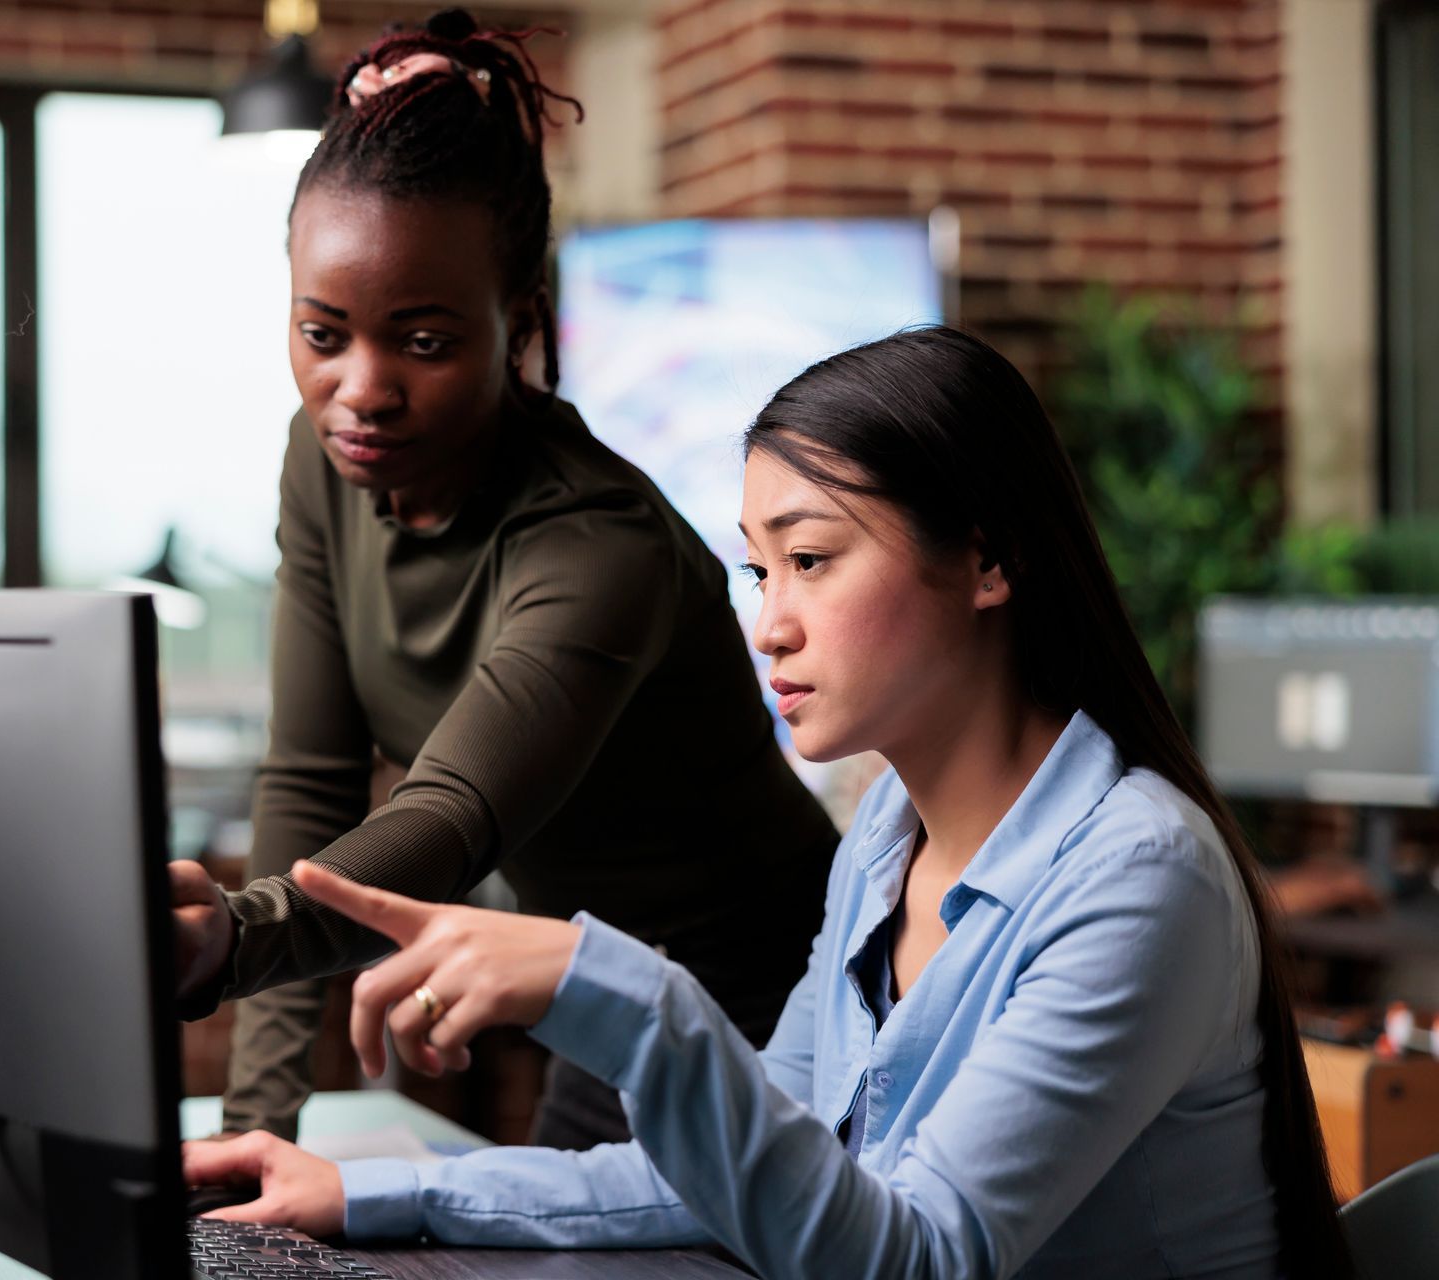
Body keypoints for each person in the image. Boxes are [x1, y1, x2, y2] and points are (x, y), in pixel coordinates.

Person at [181, 327, 1354, 1279]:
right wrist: (369, 1189)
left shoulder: (1141, 874)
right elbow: (720, 1171)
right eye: (757, 566)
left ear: (988, 562)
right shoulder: (883, 849)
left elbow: (917, 1257)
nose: (768, 622)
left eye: (812, 558)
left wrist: (619, 989)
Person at [168, 8, 840, 1149]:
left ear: (518, 319)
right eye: (322, 333)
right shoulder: (323, 460)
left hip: (778, 1016)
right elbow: (313, 776)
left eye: (423, 340)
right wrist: (256, 1123)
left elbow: (450, 816)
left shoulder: (597, 539)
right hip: (600, 996)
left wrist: (235, 934)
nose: (360, 389)